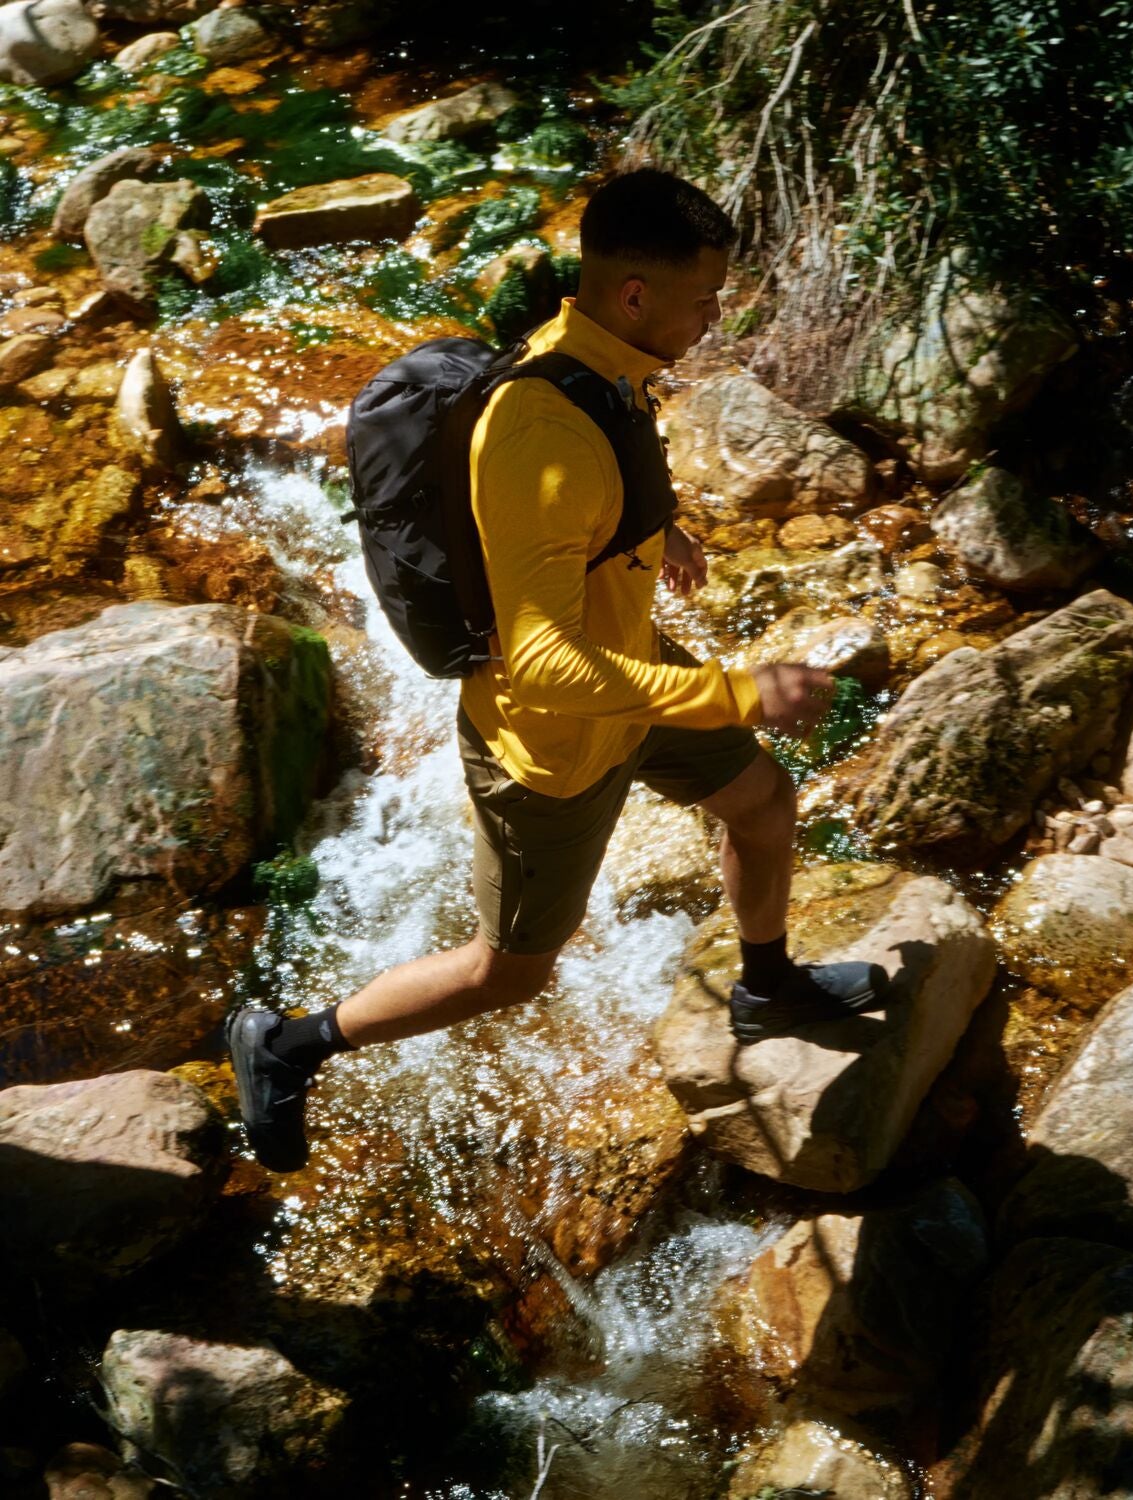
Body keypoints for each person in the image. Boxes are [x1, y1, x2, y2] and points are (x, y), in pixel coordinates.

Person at [229, 167, 887, 1173]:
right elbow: (540, 664)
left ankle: (765, 988)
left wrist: (657, 529)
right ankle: (288, 1044)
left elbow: (600, 482)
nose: (715, 317)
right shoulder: (541, 430)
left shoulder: (597, 360)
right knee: (508, 974)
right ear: (636, 293)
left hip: (632, 676)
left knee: (761, 802)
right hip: (548, 746)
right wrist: (737, 692)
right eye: (706, 297)